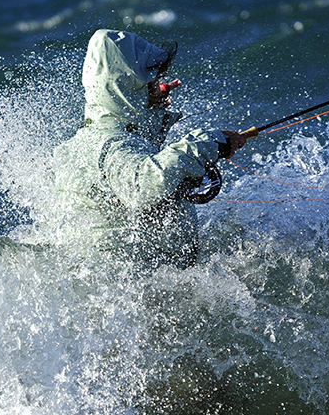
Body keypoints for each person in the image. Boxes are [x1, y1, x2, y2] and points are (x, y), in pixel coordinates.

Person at [52, 28, 248, 268]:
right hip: (128, 288)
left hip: (113, 275)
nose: (158, 85)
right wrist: (209, 142)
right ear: (129, 87)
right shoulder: (113, 144)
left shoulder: (92, 137)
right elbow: (142, 184)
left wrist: (150, 109)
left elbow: (131, 163)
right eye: (152, 81)